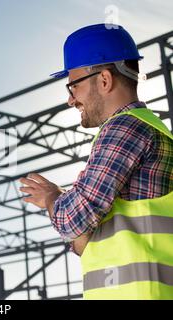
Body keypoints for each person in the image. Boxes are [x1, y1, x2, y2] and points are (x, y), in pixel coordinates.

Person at [19, 24, 173, 299]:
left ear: (104, 80)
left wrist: (52, 197)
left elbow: (71, 220)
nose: (70, 99)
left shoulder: (124, 129)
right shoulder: (151, 128)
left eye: (73, 86)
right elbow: (83, 243)